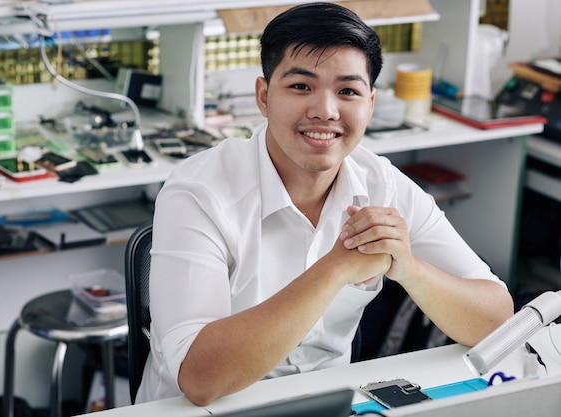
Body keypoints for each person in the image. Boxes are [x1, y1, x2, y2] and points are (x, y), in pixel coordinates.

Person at [140, 2, 514, 406]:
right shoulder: (198, 193)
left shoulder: (382, 184)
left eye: (347, 91)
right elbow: (200, 380)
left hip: (328, 405)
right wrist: (336, 269)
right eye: (301, 86)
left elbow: (497, 321)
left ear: (370, 103)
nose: (325, 111)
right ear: (263, 97)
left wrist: (409, 269)